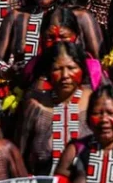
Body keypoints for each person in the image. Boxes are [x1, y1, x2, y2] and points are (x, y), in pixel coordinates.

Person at [13, 42, 93, 175]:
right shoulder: (34, 105)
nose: (65, 75)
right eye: (57, 69)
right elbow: (20, 153)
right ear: (48, 72)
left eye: (71, 68)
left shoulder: (93, 101)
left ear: (82, 69)